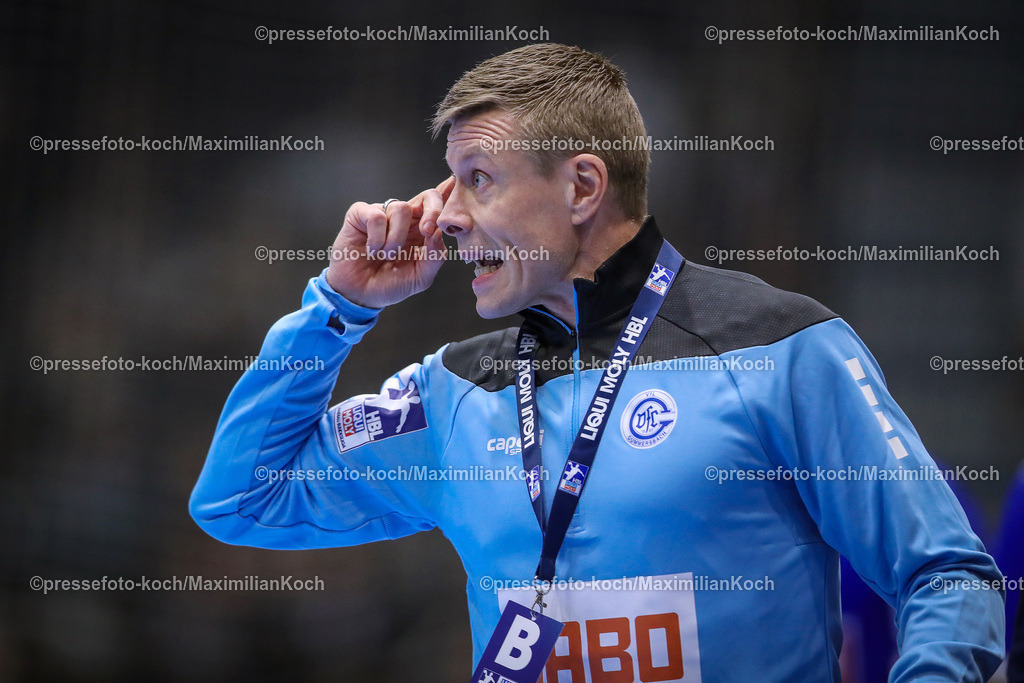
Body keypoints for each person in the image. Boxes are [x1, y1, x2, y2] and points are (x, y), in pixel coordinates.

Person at [190, 43, 1005, 681]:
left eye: (478, 180)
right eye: (449, 183)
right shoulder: (454, 394)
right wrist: (336, 309)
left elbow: (948, 574)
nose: (445, 220)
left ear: (582, 186)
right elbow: (240, 498)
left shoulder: (780, 349)